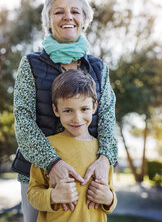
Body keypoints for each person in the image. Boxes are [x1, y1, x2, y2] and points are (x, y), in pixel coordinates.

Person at [11, 0, 118, 222]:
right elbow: (24, 120)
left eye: (75, 11)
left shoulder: (98, 67)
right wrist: (52, 163)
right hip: (39, 177)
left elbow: (108, 119)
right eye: (58, 12)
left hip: (88, 175)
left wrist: (105, 160)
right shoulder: (30, 64)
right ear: (48, 20)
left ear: (84, 19)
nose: (67, 16)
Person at [27, 69, 117, 222]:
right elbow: (33, 193)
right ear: (56, 110)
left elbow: (111, 194)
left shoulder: (103, 152)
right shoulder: (47, 147)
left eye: (84, 109)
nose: (77, 118)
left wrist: (108, 199)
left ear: (94, 107)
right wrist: (53, 196)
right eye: (68, 110)